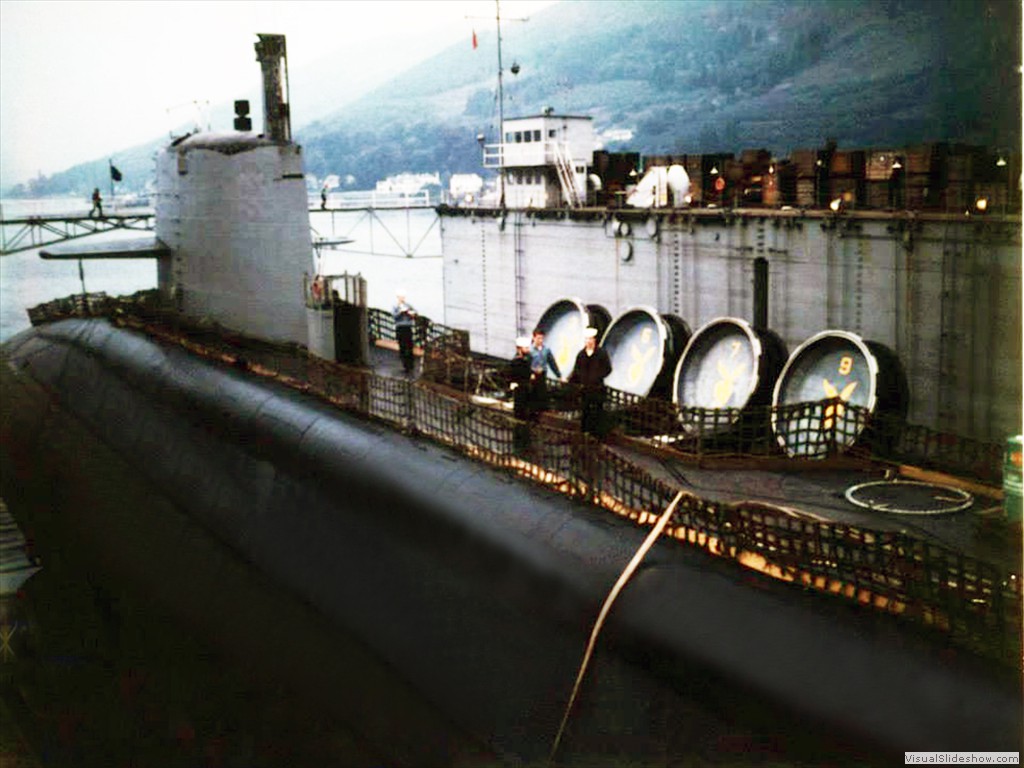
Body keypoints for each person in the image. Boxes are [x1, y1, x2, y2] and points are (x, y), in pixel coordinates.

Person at [568, 327, 613, 436]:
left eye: (591, 339)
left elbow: (608, 368)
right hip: (585, 389)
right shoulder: (581, 355)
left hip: (597, 388)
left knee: (598, 411)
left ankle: (598, 433)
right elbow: (577, 369)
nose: (588, 341)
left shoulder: (601, 353)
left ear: (594, 340)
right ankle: (585, 431)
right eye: (587, 339)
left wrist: (597, 376)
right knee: (585, 410)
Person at [509, 336, 534, 455]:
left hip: (526, 391)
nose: (528, 349)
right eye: (526, 347)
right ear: (519, 349)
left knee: (525, 417)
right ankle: (519, 444)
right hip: (520, 391)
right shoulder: (516, 362)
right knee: (519, 417)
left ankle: (525, 443)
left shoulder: (527, 359)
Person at [528, 328, 562, 413]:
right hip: (532, 375)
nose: (540, 340)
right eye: (538, 338)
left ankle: (542, 411)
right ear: (534, 338)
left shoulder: (546, 350)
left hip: (542, 374)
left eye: (542, 338)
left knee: (542, 393)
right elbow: (526, 364)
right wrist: (532, 371)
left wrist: (558, 375)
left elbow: (552, 363)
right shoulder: (530, 350)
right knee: (532, 394)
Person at [393, 289, 417, 375]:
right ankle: (405, 365)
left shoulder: (408, 306)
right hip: (400, 328)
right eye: (400, 297)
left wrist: (410, 313)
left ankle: (411, 364)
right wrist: (400, 312)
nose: (402, 298)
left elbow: (415, 314)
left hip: (408, 327)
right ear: (398, 297)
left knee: (409, 346)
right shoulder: (395, 306)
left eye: (403, 297)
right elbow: (394, 316)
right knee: (402, 346)